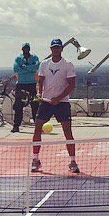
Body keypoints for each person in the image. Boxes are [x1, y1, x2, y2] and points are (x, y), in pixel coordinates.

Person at [32, 38, 80, 174]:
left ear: (61, 49)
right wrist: (39, 94)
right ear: (51, 49)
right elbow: (40, 82)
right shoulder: (44, 64)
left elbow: (71, 85)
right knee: (37, 128)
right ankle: (35, 159)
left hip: (62, 103)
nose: (56, 49)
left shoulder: (68, 65)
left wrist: (58, 99)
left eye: (58, 47)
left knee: (68, 132)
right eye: (54, 47)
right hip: (46, 102)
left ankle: (72, 161)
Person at [10, 41, 40, 131]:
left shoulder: (34, 57)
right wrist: (29, 68)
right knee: (19, 106)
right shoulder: (18, 58)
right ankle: (16, 126)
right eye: (24, 48)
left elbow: (36, 66)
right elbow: (16, 69)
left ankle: (38, 126)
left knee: (35, 105)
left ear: (29, 49)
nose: (26, 49)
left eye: (27, 48)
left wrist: (24, 67)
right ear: (22, 49)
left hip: (32, 84)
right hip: (21, 85)